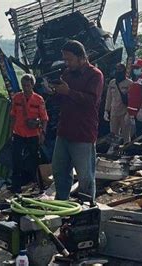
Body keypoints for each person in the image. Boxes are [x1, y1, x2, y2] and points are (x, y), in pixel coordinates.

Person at [50, 40, 104, 201]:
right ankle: (61, 206)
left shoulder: (95, 75)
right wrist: (54, 92)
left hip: (83, 133)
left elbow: (91, 101)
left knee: (85, 176)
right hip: (64, 131)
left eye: (70, 59)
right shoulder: (66, 74)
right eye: (65, 60)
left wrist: (69, 92)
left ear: (81, 57)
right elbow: (60, 101)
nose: (67, 63)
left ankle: (88, 209)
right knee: (59, 172)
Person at [10, 74, 49, 193]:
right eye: (24, 85)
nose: (26, 88)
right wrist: (10, 132)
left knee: (35, 160)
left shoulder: (38, 99)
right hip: (19, 133)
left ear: (32, 85)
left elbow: (44, 118)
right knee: (17, 160)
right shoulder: (16, 98)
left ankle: (38, 185)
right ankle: (15, 187)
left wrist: (42, 133)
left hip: (33, 135)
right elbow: (12, 116)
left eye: (28, 85)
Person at [104, 63, 132, 142]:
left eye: (120, 70)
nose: (117, 71)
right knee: (113, 134)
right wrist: (106, 111)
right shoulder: (112, 83)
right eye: (116, 69)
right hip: (114, 112)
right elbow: (108, 98)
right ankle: (114, 151)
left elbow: (131, 100)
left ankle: (126, 151)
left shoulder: (129, 83)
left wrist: (129, 113)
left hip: (125, 112)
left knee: (126, 134)